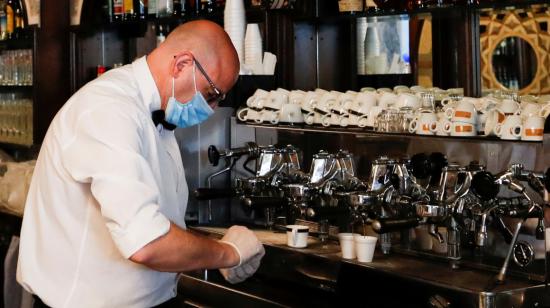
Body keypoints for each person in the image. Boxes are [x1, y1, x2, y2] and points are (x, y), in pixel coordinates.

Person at [16, 20, 265, 308]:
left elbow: (158, 222)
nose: (211, 110)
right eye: (211, 95)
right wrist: (227, 252)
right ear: (182, 64)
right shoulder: (108, 109)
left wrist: (207, 249)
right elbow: (146, 242)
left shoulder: (155, 113)